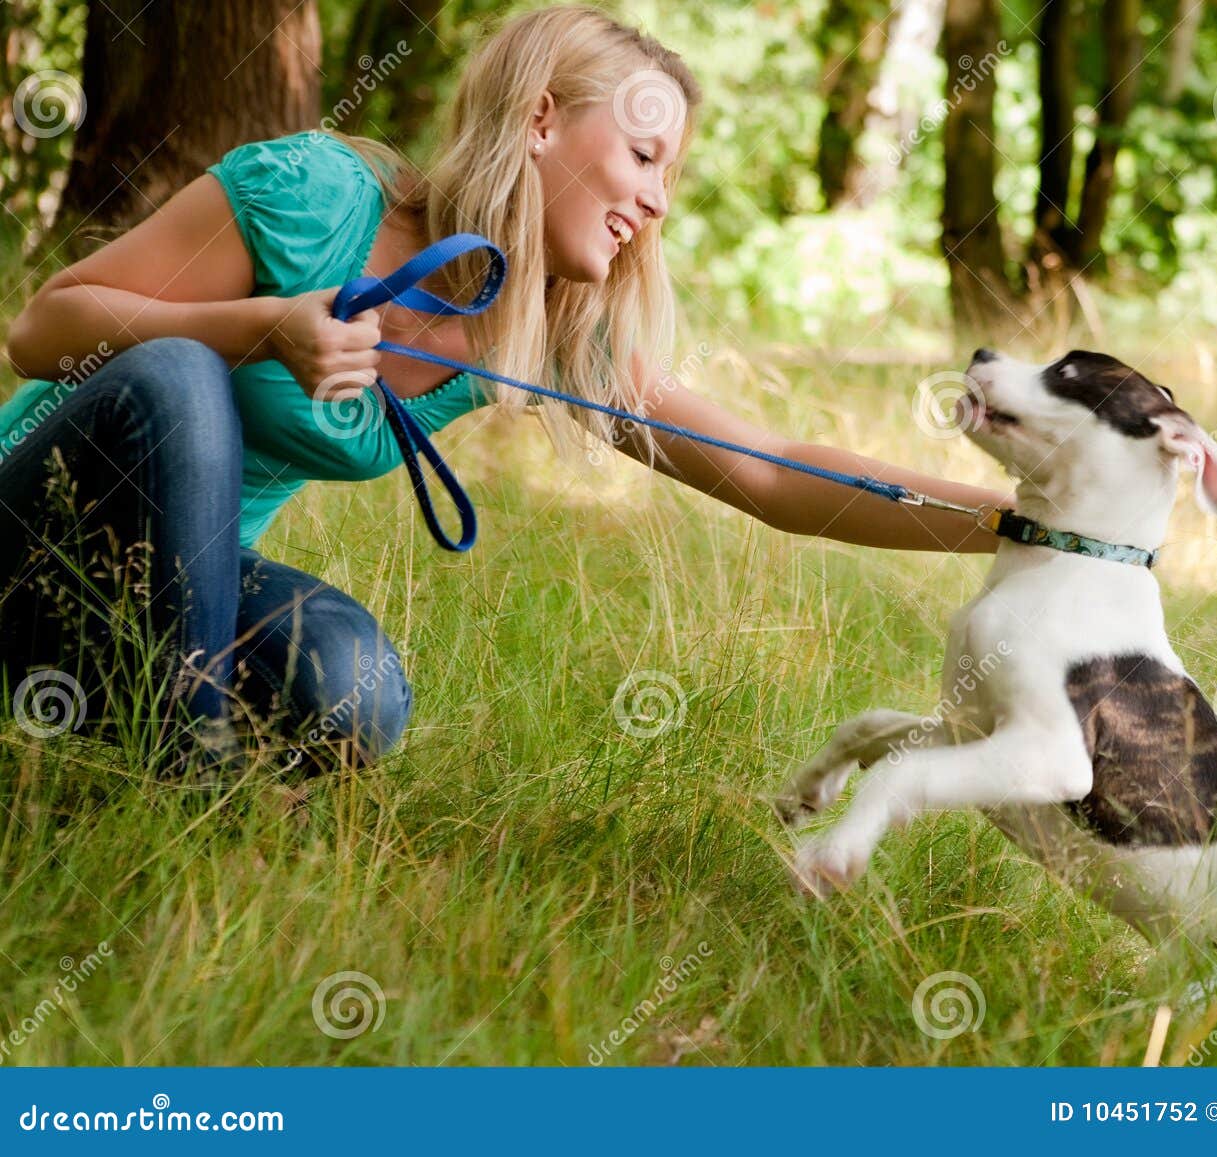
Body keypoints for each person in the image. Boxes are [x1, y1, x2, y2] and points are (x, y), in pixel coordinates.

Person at [0, 4, 1008, 779]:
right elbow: (44, 329)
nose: (658, 200)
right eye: (644, 155)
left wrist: (1028, 525)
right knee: (181, 375)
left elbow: (772, 475)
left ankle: (143, 718)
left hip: (158, 596)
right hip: (27, 530)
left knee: (352, 687)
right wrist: (259, 325)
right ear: (537, 120)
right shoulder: (313, 194)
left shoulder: (549, 329)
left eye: (672, 176)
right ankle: (183, 767)